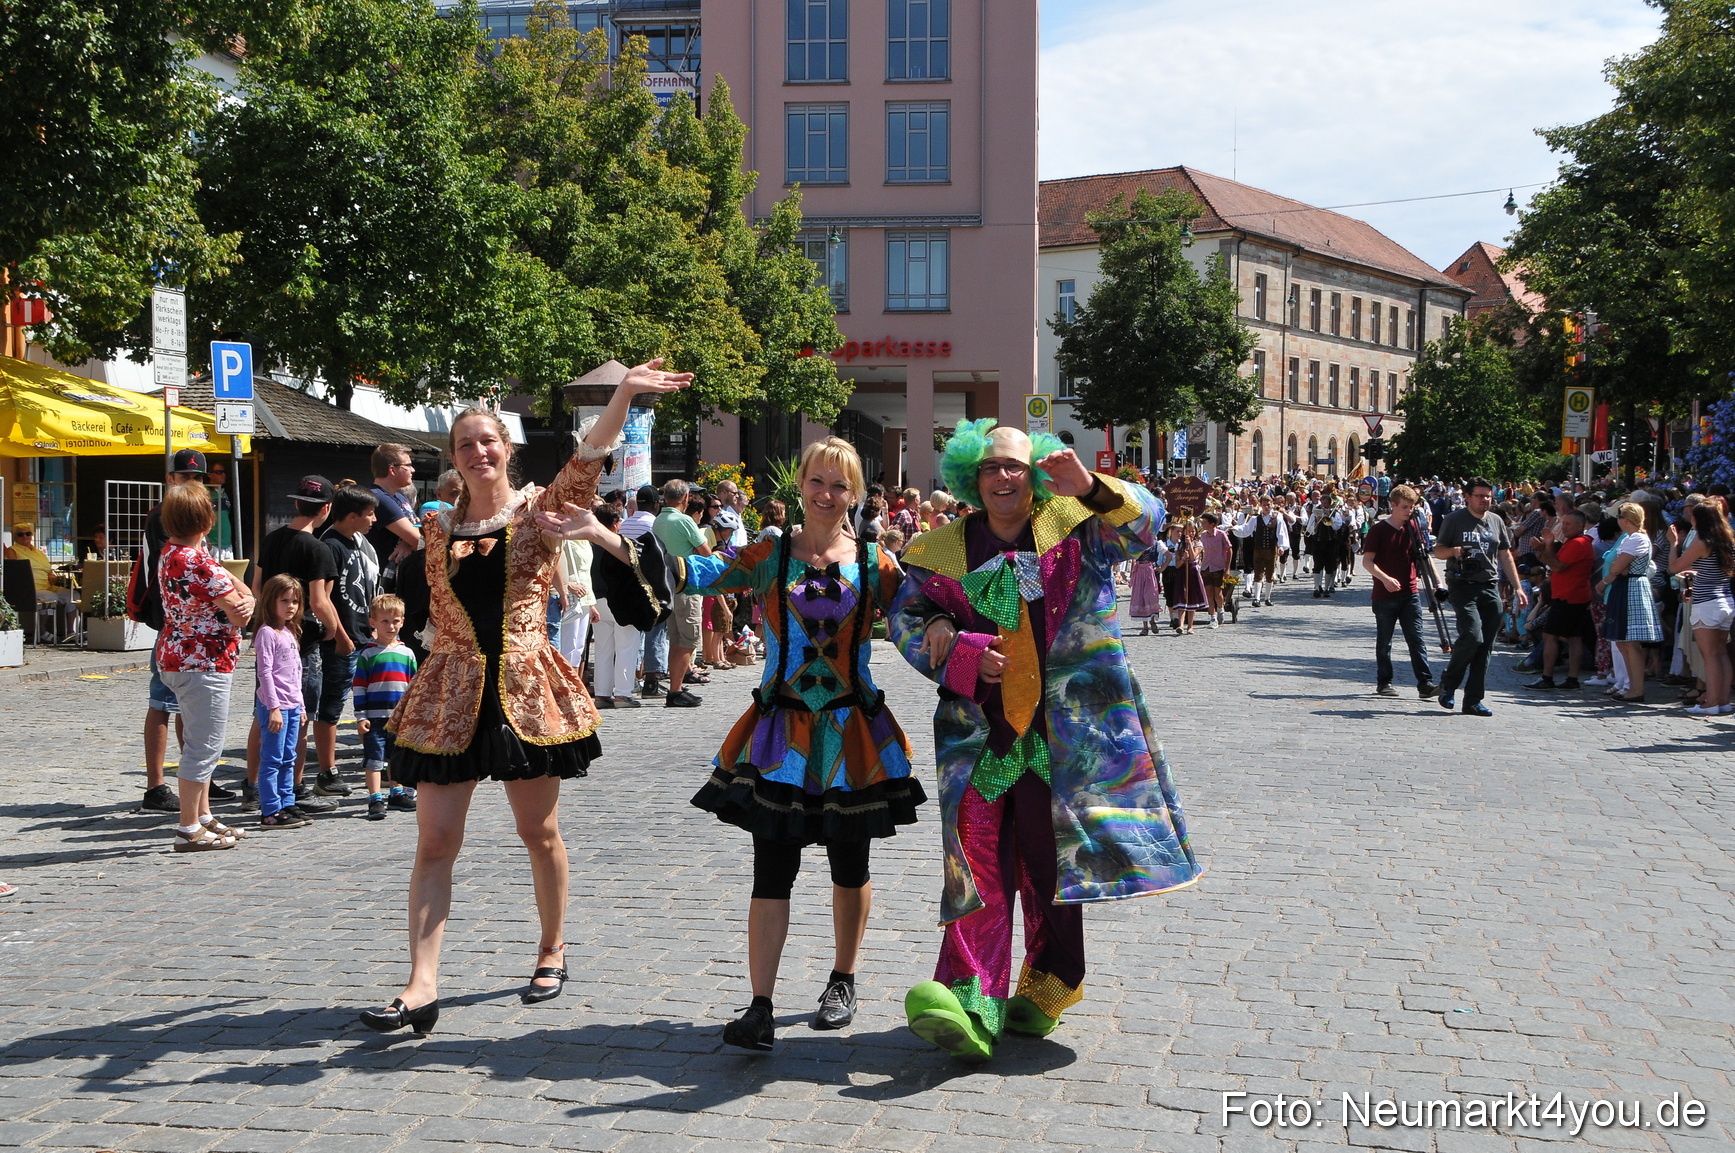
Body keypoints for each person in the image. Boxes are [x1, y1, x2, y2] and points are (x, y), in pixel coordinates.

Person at [551, 437, 923, 1050]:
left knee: (849, 864)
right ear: (800, 485)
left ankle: (843, 979)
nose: (827, 495)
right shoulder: (770, 555)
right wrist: (599, 533)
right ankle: (760, 1004)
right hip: (780, 739)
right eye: (817, 482)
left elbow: (925, 619)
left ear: (855, 494)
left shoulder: (876, 563)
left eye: (840, 485)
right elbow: (689, 572)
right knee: (771, 869)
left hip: (852, 737)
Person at [359, 358, 690, 1036]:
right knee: (434, 841)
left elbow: (592, 454)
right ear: (453, 459)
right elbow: (431, 610)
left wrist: (624, 392)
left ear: (506, 450)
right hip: (450, 692)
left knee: (536, 831)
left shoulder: (539, 510)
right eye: (465, 444)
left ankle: (550, 946)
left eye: (488, 441)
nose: (479, 452)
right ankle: (421, 985)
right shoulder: (436, 530)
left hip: (523, 687)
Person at [887, 420, 1199, 1063]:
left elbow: (1149, 526)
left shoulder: (1078, 525)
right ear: (970, 476)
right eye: (991, 467)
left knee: (1052, 858)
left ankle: (1051, 981)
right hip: (981, 734)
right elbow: (907, 620)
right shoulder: (939, 550)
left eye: (1016, 468)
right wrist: (963, 651)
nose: (1004, 478)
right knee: (977, 858)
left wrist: (1090, 485)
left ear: (1034, 476)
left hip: (1071, 730)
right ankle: (972, 997)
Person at [154, 482, 256, 851]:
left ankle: (204, 815)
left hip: (180, 654)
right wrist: (245, 597)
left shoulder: (172, 553)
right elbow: (241, 607)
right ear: (207, 519)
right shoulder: (199, 562)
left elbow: (237, 595)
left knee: (199, 742)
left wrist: (240, 594)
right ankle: (187, 828)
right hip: (203, 660)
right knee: (204, 746)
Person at [246, 476, 344, 814]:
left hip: (269, 630)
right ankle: (296, 788)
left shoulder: (272, 538)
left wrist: (272, 618)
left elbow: (257, 586)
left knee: (264, 711)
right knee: (297, 716)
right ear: (327, 509)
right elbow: (319, 601)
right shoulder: (318, 548)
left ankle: (253, 785)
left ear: (296, 503)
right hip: (301, 642)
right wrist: (333, 631)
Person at [136, 449, 211, 814]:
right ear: (170, 479)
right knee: (163, 701)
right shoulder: (165, 516)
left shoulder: (196, 514)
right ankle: (156, 786)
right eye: (185, 477)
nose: (191, 483)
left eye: (197, 478)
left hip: (192, 628)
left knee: (190, 705)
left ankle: (196, 780)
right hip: (173, 624)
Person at [1434, 477, 1527, 716]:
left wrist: (1518, 587)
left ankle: (1473, 699)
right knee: (1472, 635)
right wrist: (1453, 551)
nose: (1484, 500)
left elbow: (1505, 555)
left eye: (1488, 496)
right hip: (1463, 585)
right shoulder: (1454, 520)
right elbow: (1439, 550)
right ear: (1467, 496)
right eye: (1479, 495)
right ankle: (1449, 682)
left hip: (1489, 586)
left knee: (1486, 645)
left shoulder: (1496, 521)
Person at [316, 485, 380, 796]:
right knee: (331, 706)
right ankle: (327, 770)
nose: (374, 520)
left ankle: (376, 759)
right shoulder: (330, 546)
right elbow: (325, 600)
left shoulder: (357, 542)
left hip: (362, 635)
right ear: (352, 516)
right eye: (369, 514)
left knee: (366, 705)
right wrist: (341, 635)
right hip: (342, 641)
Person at [1360, 485, 1440, 698]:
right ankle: (1384, 681)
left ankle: (1425, 683)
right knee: (1385, 642)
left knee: (1416, 639)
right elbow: (1367, 561)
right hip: (1385, 596)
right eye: (1404, 507)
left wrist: (1438, 582)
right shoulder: (1378, 530)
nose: (1409, 510)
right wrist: (1385, 579)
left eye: (1412, 506)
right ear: (1393, 505)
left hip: (1410, 593)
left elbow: (1425, 556)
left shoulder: (1413, 527)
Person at [251, 575, 311, 829]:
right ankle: (270, 809)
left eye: (295, 601)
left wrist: (301, 706)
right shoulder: (267, 633)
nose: (291, 606)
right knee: (272, 759)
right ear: (270, 601)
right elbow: (265, 672)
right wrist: (273, 707)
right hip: (275, 706)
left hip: (293, 705)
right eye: (284, 600)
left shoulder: (289, 631)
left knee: (289, 756)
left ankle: (287, 801)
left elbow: (295, 673)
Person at [353, 593, 419, 819]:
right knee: (374, 759)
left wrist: (412, 713)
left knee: (397, 757)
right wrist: (361, 717)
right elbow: (359, 687)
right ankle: (375, 798)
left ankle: (396, 793)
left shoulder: (407, 653)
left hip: (398, 717)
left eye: (395, 621)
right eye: (384, 621)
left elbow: (413, 686)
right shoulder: (368, 654)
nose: (391, 626)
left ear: (402, 621)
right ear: (373, 622)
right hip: (375, 717)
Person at [1669, 502, 1735, 716]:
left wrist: (1674, 543)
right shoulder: (1727, 540)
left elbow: (1675, 567)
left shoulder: (1701, 540)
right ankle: (1723, 700)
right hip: (1725, 599)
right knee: (1721, 653)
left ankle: (1712, 702)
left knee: (1710, 656)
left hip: (1707, 603)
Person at [652, 478, 711, 707]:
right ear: (685, 499)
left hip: (668, 586)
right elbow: (705, 551)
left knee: (676, 640)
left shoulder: (658, 521)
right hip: (687, 584)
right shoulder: (684, 520)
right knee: (687, 640)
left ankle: (675, 688)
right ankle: (675, 690)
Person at [1596, 502, 1662, 704]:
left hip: (1631, 588)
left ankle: (1636, 688)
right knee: (1624, 642)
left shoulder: (1637, 539)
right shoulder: (1630, 539)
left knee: (1630, 642)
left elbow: (1617, 566)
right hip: (1625, 587)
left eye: (1621, 516)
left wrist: (1611, 576)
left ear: (1627, 519)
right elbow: (1618, 566)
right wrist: (1618, 569)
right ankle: (1630, 686)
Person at [1524, 508, 1595, 692]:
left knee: (1550, 636)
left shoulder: (1577, 543)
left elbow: (1557, 566)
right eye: (1563, 523)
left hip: (1568, 597)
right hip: (1574, 596)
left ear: (1580, 526)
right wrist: (1548, 545)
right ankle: (1572, 678)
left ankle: (1547, 678)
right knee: (1574, 638)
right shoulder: (1574, 542)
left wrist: (1543, 548)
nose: (1563, 527)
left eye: (1568, 524)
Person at [586, 506, 646, 710]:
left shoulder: (591, 545)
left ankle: (602, 694)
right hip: (620, 601)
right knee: (626, 647)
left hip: (597, 599)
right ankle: (622, 693)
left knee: (602, 649)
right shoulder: (618, 544)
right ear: (615, 523)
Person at [366, 443, 422, 591]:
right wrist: (411, 540)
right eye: (408, 465)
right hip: (384, 583)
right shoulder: (379, 498)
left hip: (402, 578)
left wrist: (407, 542)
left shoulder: (400, 496)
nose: (413, 470)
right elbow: (420, 541)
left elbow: (418, 530)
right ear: (392, 469)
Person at [1232, 495, 1287, 608]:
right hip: (1258, 550)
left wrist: (1282, 546)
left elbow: (1281, 533)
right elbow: (1246, 530)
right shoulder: (1255, 518)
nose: (1267, 507)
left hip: (1272, 550)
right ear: (1261, 505)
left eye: (1269, 504)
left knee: (1270, 573)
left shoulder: (1278, 517)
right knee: (1258, 573)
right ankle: (1256, 598)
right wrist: (1235, 528)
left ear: (1272, 504)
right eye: (1265, 504)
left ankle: (1267, 598)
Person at [1197, 512, 1231, 628]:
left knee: (1218, 593)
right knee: (1209, 594)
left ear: (1212, 524)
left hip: (1218, 567)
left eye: (1204, 523)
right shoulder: (1203, 536)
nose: (1202, 525)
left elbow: (1229, 549)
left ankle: (1221, 609)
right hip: (1206, 567)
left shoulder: (1221, 535)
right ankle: (1213, 618)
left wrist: (1227, 568)